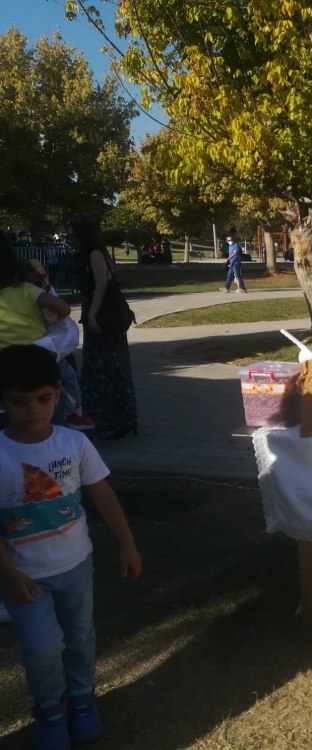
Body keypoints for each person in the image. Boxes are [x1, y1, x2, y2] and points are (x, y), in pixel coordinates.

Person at [0, 344, 142, 748]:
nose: (33, 410)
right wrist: (8, 575)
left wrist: (127, 544)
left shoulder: (74, 444)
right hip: (23, 577)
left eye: (44, 399)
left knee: (80, 637)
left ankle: (81, 700)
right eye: (19, 401)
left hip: (76, 566)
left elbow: (104, 496)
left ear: (59, 396)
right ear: (2, 400)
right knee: (43, 649)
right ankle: (49, 709)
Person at [0, 237, 91, 432]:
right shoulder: (27, 291)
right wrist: (56, 318)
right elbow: (63, 307)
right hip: (39, 356)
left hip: (6, 361)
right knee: (68, 376)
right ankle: (77, 412)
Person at [67, 217, 139, 440]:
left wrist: (91, 314)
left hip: (104, 316)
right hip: (98, 313)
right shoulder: (86, 255)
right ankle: (110, 420)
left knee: (105, 370)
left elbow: (102, 287)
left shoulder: (96, 254)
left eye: (73, 234)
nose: (69, 239)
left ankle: (112, 420)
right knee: (100, 370)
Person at [219, 229, 247, 293]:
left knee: (238, 276)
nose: (230, 241)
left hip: (236, 263)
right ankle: (226, 288)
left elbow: (235, 253)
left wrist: (227, 259)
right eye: (228, 240)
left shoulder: (235, 245)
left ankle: (243, 288)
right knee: (229, 275)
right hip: (232, 263)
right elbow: (230, 253)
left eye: (230, 240)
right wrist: (230, 262)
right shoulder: (229, 246)